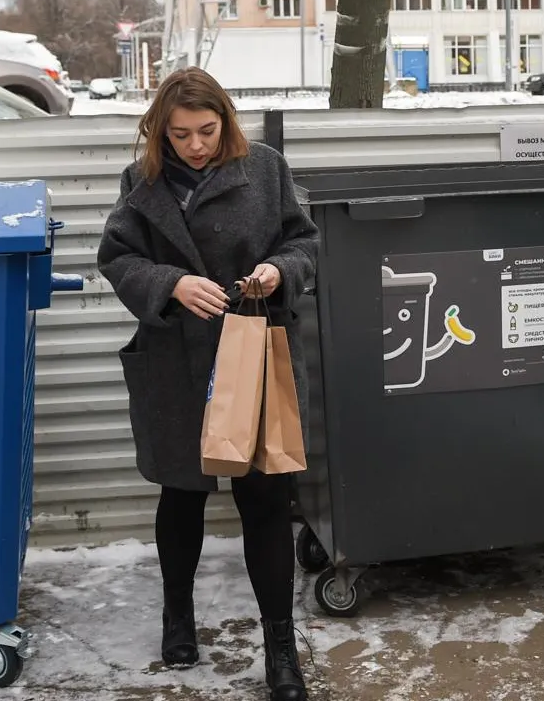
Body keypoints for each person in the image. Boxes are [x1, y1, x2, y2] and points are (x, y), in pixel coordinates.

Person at [97, 68, 317, 701]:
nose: (196, 146)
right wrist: (171, 285)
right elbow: (117, 259)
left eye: (208, 131)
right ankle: (178, 617)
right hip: (173, 361)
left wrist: (279, 270)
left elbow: (306, 241)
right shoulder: (141, 183)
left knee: (265, 500)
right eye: (181, 135)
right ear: (160, 133)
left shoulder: (265, 169)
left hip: (252, 353)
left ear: (227, 121)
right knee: (182, 495)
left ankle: (280, 649)